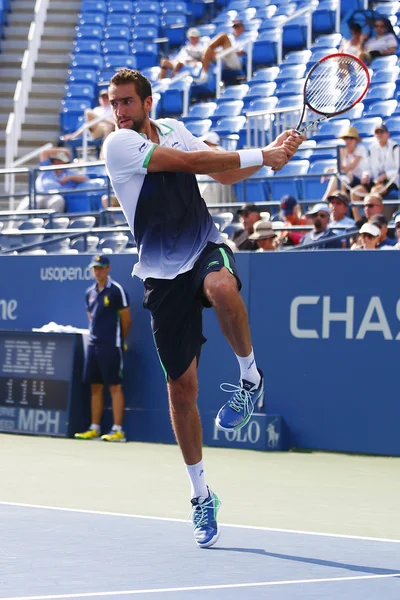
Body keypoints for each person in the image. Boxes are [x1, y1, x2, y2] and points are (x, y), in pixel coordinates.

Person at [102, 68, 304, 548]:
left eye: (128, 102)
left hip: (203, 247)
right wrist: (264, 152)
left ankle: (249, 378)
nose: (120, 112)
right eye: (114, 103)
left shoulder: (173, 128)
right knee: (182, 391)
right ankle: (200, 494)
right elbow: (186, 163)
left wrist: (270, 159)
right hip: (159, 275)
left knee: (224, 289)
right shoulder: (119, 145)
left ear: (147, 103)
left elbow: (221, 171)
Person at [75, 255, 132, 442]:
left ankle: (118, 430)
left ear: (108, 268)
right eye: (95, 268)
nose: (97, 271)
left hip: (112, 345)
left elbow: (126, 319)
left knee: (115, 386)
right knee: (95, 387)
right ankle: (95, 427)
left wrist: (120, 340)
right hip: (93, 345)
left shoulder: (117, 291)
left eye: (101, 267)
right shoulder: (88, 292)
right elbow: (91, 317)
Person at [350, 125, 399, 218]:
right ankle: (358, 220)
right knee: (355, 192)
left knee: (374, 191)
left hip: (391, 182)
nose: (379, 135)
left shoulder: (395, 147)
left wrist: (385, 175)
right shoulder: (372, 148)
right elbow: (368, 168)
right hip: (375, 181)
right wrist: (366, 175)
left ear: (387, 134)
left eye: (382, 132)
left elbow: (397, 170)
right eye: (377, 132)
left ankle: (374, 218)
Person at [322, 127, 369, 199]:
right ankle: (340, 202)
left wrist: (333, 169)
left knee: (340, 175)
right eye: (346, 138)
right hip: (347, 179)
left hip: (359, 180)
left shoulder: (361, 149)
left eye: (351, 138)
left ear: (356, 140)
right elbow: (340, 167)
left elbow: (350, 167)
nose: (348, 140)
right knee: (341, 178)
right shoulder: (343, 150)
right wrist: (342, 155)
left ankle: (325, 199)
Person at [196, 131, 236, 205]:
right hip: (214, 185)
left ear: (210, 143)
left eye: (205, 142)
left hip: (213, 186)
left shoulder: (214, 152)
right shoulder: (223, 152)